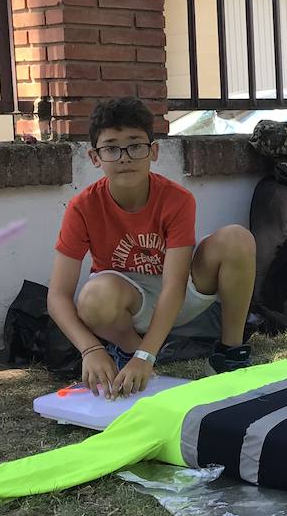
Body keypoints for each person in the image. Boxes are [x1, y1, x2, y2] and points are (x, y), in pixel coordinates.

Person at [48, 96, 258, 398]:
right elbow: (57, 296)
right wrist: (90, 348)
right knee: (93, 297)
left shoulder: (177, 199)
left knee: (237, 238)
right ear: (95, 157)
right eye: (111, 148)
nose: (124, 157)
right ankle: (129, 352)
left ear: (153, 151)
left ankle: (229, 353)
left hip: (180, 293)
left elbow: (174, 287)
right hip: (129, 302)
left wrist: (147, 356)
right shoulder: (83, 207)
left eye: (135, 145)